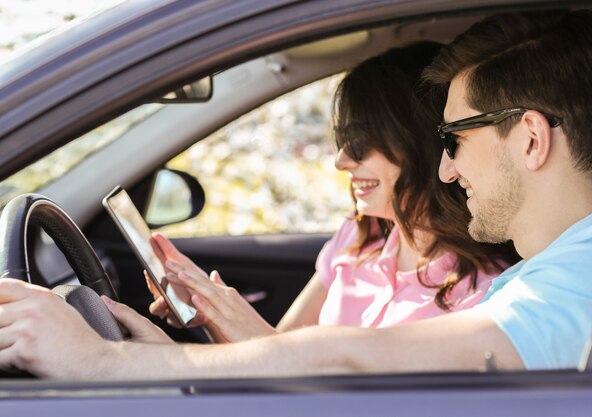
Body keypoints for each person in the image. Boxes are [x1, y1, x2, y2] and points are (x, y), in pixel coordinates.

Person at [0, 8, 592, 379]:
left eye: (455, 138)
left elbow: (360, 362)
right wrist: (161, 361)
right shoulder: (573, 273)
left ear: (532, 139)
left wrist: (106, 364)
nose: (445, 171)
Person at [147, 41, 516, 343]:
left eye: (359, 142)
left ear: (416, 142)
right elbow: (271, 354)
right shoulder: (357, 239)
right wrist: (208, 311)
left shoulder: (483, 294)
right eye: (342, 140)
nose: (341, 161)